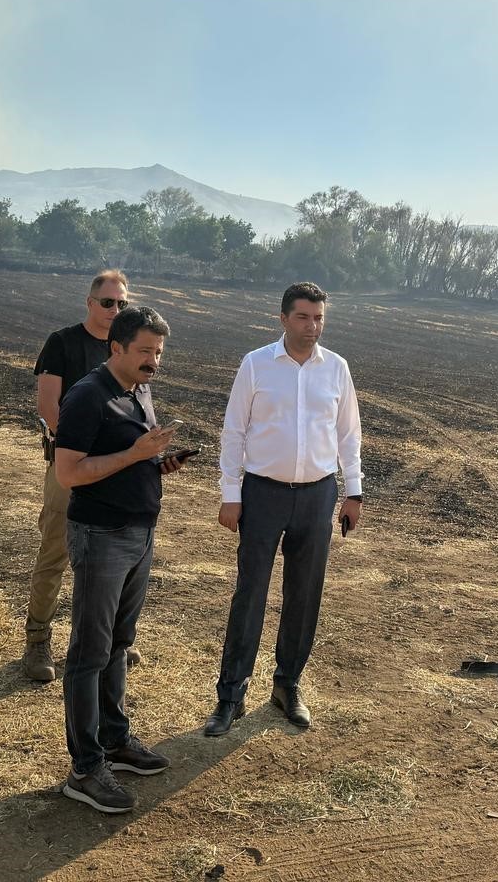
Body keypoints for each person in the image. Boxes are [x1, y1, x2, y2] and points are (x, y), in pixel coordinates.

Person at [203, 281, 364, 737]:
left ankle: (287, 685)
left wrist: (353, 493)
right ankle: (230, 695)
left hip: (317, 495)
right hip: (262, 494)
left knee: (304, 594)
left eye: (318, 318)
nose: (312, 326)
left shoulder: (336, 369)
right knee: (250, 593)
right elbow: (234, 432)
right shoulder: (256, 365)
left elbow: (349, 434)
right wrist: (230, 494)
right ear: (282, 318)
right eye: (302, 317)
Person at [55, 304, 185, 813]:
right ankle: (84, 769)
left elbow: (131, 453)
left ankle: (115, 740)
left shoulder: (139, 390)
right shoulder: (87, 396)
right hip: (100, 535)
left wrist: (156, 463)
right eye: (145, 352)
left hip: (139, 533)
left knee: (118, 643)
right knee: (89, 652)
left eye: (159, 352)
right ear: (117, 348)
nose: (154, 361)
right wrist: (134, 457)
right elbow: (69, 473)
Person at [22, 270, 140, 682]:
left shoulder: (126, 347)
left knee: (113, 558)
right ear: (90, 303)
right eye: (108, 302)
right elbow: (49, 407)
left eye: (122, 304)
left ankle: (108, 641)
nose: (115, 310)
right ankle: (37, 639)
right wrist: (84, 454)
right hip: (70, 467)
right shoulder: (63, 343)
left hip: (116, 470)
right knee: (56, 552)